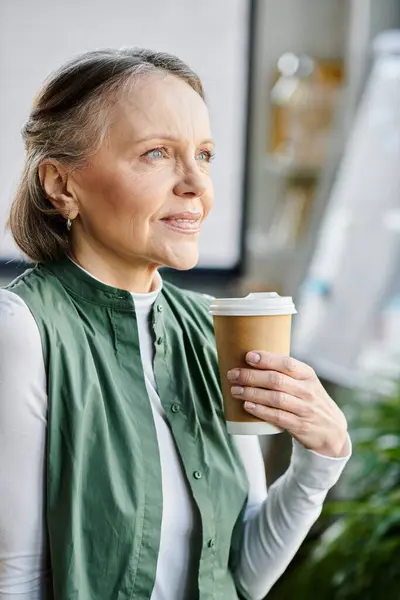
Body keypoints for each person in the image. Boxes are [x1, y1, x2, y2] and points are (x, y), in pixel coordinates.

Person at [0, 48, 351, 600]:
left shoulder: (213, 329)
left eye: (204, 155)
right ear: (61, 185)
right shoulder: (22, 332)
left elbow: (241, 577)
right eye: (156, 154)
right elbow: (13, 580)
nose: (195, 184)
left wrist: (322, 459)